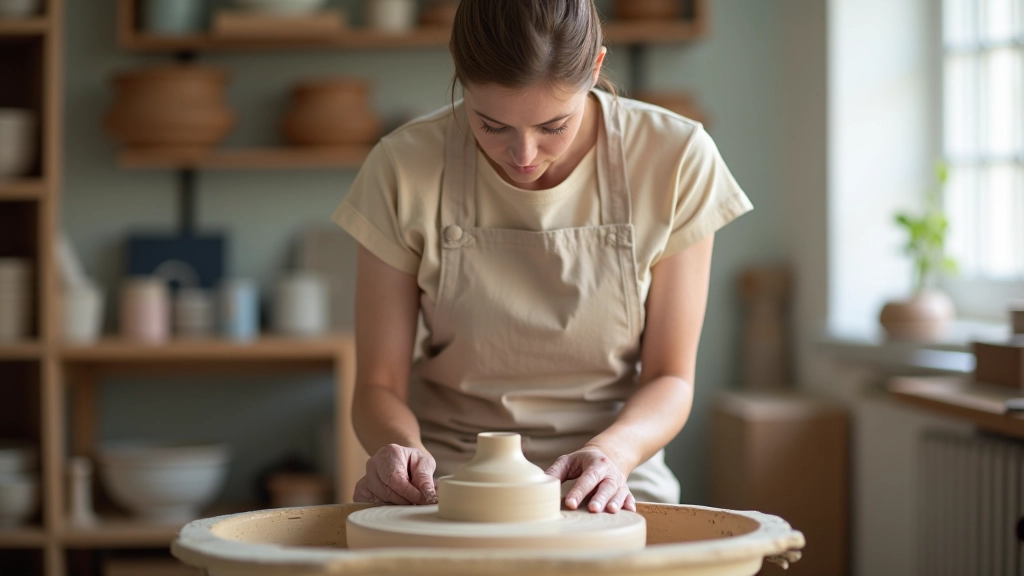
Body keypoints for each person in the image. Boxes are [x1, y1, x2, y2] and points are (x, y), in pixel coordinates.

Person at [332, 0, 751, 514]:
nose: (524, 156)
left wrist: (611, 454)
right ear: (459, 73)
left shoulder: (676, 158)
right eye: (491, 126)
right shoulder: (401, 166)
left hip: (614, 472)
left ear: (596, 68)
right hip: (451, 473)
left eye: (553, 126)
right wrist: (401, 452)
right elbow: (377, 384)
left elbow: (671, 378)